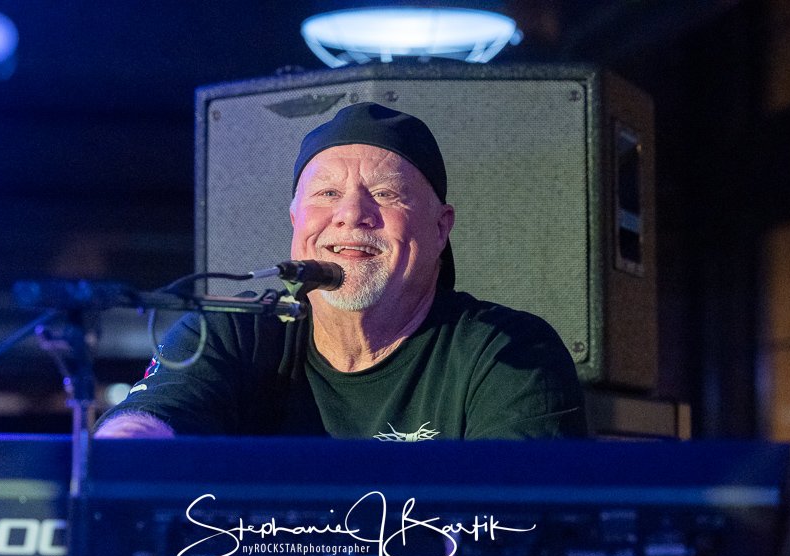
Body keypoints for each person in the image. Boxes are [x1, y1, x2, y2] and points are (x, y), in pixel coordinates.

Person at [95, 102, 586, 440]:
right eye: (327, 193)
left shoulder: (509, 351)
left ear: (441, 228)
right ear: (296, 221)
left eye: (386, 194)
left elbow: (516, 528)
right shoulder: (230, 330)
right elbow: (147, 422)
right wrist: (125, 445)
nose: (351, 214)